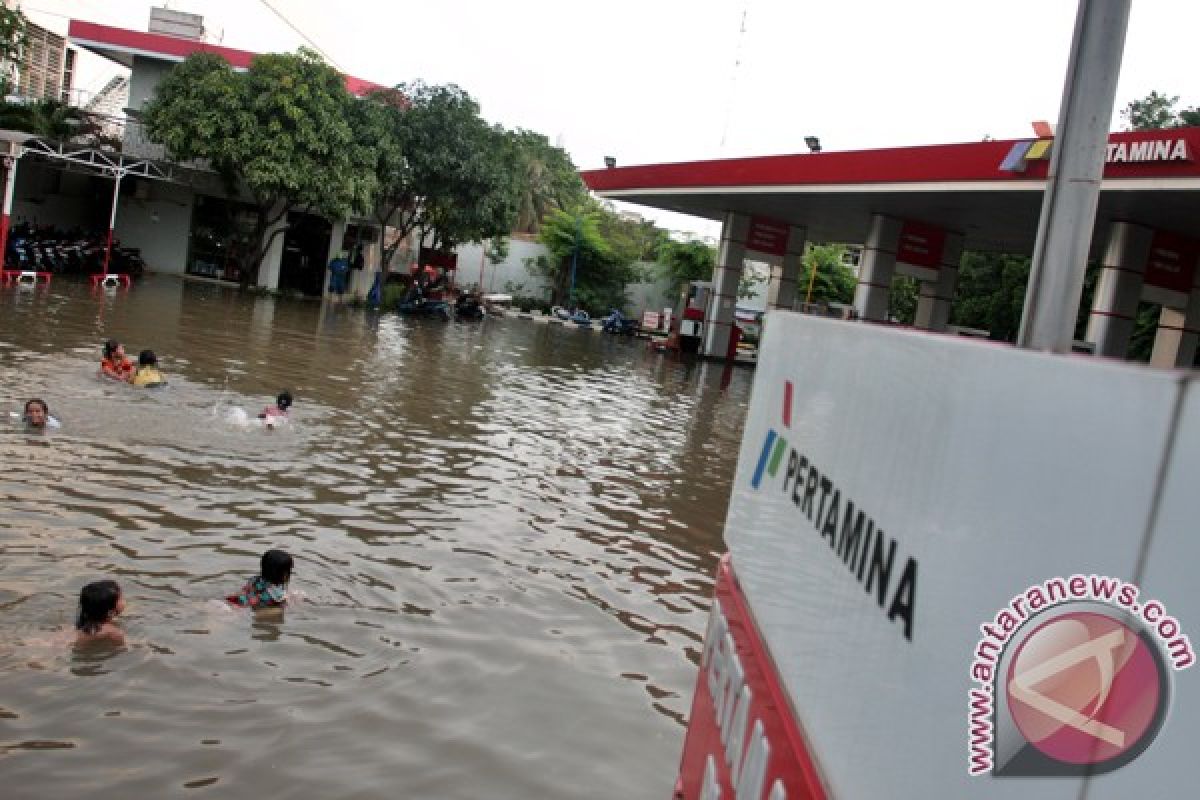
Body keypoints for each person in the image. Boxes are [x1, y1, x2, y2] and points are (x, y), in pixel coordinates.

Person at [227, 549, 293, 609]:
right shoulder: (277, 594)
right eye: (288, 571)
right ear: (281, 574)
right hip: (244, 607)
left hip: (237, 599)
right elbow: (283, 605)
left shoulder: (255, 579)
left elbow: (245, 590)